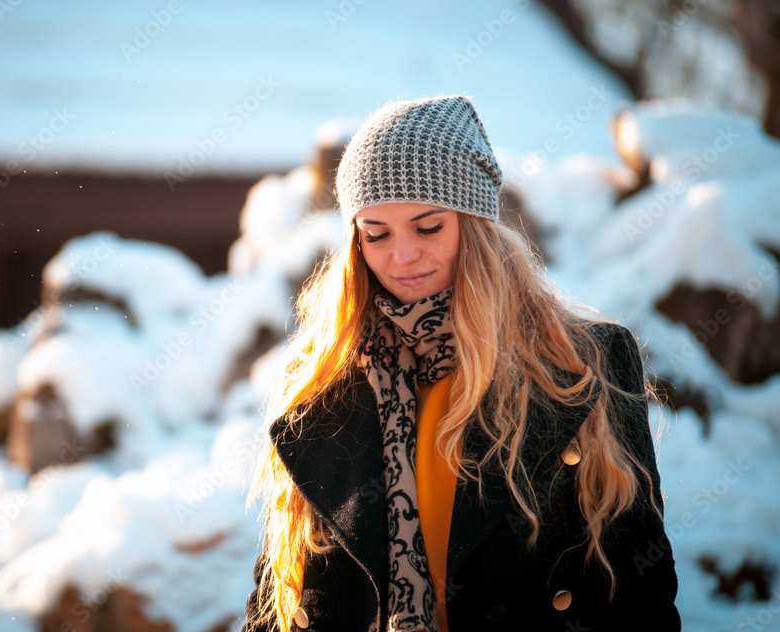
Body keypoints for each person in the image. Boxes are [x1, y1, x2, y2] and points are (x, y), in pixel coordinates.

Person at [241, 96, 680, 632]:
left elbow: (641, 591)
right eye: (376, 234)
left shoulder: (582, 364)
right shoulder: (324, 382)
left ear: (475, 225)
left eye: (427, 228)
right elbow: (280, 598)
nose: (401, 256)